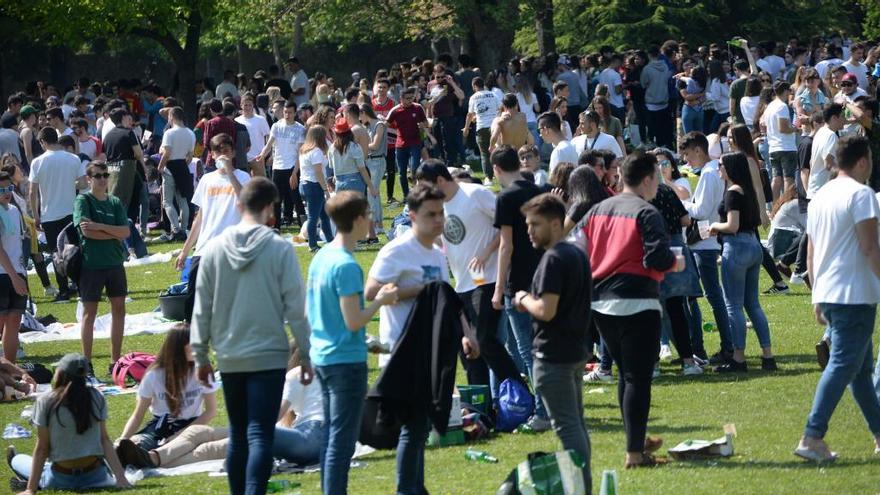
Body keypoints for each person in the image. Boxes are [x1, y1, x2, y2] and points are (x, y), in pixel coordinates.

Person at [191, 177, 312, 495]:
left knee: (240, 432)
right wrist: (308, 353)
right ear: (270, 209)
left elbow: (201, 308)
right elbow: (296, 309)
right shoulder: (279, 248)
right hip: (269, 352)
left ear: (239, 205)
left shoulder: (214, 249)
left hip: (230, 352)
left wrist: (201, 356)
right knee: (260, 433)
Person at [365, 183, 479, 495]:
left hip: (430, 351)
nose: (439, 220)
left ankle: (416, 487)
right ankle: (408, 489)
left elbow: (447, 299)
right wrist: (417, 291)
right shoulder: (397, 250)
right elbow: (370, 293)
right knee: (413, 428)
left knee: (419, 427)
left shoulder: (438, 255)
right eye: (431, 215)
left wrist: (466, 335)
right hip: (402, 351)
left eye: (441, 213)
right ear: (413, 216)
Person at [582, 151, 684, 468]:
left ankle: (635, 442)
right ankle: (635, 454)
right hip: (637, 300)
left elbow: (580, 251)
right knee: (637, 378)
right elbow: (657, 258)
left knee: (627, 374)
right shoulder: (646, 211)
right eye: (657, 177)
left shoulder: (597, 210)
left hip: (601, 303)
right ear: (647, 179)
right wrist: (674, 262)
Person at [796, 135, 880, 462]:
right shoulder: (862, 195)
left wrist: (817, 295)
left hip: (832, 291)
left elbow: (811, 254)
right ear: (862, 161)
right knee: (844, 364)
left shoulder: (821, 195)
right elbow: (870, 247)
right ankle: (812, 435)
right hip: (854, 292)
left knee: (860, 371)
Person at [308, 191, 398, 494]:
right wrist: (382, 300)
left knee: (332, 435)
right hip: (344, 361)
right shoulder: (346, 266)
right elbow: (354, 321)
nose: (370, 220)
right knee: (342, 441)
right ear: (358, 220)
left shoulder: (322, 256)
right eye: (368, 215)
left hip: (323, 355)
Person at [415, 161, 523, 404]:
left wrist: (486, 252)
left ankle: (520, 395)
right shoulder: (438, 206)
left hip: (488, 278)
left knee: (485, 340)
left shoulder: (475, 194)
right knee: (468, 348)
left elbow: (509, 225)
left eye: (427, 186)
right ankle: (481, 407)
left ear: (440, 181)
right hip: (461, 283)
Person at [514, 193, 592, 489]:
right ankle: (582, 484)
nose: (529, 231)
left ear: (556, 224)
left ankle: (579, 486)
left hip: (552, 357)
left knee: (568, 428)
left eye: (536, 224)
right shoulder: (577, 254)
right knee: (577, 425)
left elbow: (546, 310)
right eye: (527, 224)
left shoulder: (554, 258)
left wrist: (523, 298)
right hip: (574, 352)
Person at [7, 353, 131, 492]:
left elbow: (42, 448)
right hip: (96, 477)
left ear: (61, 373)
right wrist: (120, 478)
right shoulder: (96, 397)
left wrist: (31, 490)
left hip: (60, 478)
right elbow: (105, 440)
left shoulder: (46, 401)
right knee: (49, 466)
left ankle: (32, 480)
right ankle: (39, 477)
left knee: (18, 460)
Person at [490, 145, 550, 431]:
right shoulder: (538, 190)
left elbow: (506, 244)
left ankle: (542, 412)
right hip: (544, 275)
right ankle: (522, 405)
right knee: (529, 348)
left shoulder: (506, 197)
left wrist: (498, 287)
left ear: (497, 170)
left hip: (519, 282)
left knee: (527, 352)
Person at [708, 152, 776, 372]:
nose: (718, 168)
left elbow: (732, 225)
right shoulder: (747, 190)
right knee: (753, 304)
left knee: (733, 305)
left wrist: (713, 227)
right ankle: (768, 356)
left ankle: (738, 357)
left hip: (736, 247)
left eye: (721, 165)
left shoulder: (732, 193)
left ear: (729, 168)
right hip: (754, 247)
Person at [176, 133, 249, 323]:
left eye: (226, 150)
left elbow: (245, 201)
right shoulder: (207, 179)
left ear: (233, 152)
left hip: (231, 248)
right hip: (204, 248)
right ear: (212, 155)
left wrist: (230, 172)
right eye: (218, 151)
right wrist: (185, 251)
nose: (222, 155)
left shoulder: (243, 177)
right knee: (192, 303)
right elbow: (199, 218)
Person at [116, 326, 218, 455]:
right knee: (136, 445)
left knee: (186, 448)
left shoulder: (203, 371)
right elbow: (137, 415)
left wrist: (179, 436)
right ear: (178, 347)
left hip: (193, 426)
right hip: (160, 426)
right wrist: (122, 440)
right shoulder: (154, 375)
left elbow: (210, 412)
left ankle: (158, 455)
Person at [679, 132, 732, 365]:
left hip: (706, 244)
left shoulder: (710, 174)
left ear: (699, 150)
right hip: (705, 241)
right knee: (712, 296)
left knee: (714, 297)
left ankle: (727, 347)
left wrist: (677, 202)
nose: (687, 160)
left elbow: (700, 211)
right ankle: (725, 346)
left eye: (688, 154)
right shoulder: (711, 172)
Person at [74, 161, 130, 380]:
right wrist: (112, 233)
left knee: (119, 310)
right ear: (89, 179)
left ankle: (115, 361)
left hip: (114, 263)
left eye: (105, 175)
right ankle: (86, 363)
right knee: (90, 314)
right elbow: (87, 233)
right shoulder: (83, 200)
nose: (103, 179)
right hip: (92, 264)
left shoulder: (114, 201)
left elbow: (125, 232)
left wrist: (101, 227)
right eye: (98, 176)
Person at [28, 127, 86, 302]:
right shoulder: (73, 158)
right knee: (76, 249)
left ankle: (63, 290)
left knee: (56, 253)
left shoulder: (37, 162)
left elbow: (32, 191)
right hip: (71, 211)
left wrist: (35, 215)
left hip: (49, 214)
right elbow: (83, 183)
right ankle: (81, 286)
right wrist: (68, 185)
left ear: (42, 142)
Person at [255, 100, 305, 227]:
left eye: (290, 112)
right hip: (278, 168)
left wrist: (295, 173)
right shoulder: (276, 126)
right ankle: (276, 227)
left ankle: (304, 228)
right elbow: (269, 144)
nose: (287, 115)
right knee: (276, 200)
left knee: (297, 199)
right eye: (285, 112)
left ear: (295, 113)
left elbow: (300, 153)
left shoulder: (300, 129)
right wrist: (262, 155)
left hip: (292, 168)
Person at [0, 171, 27, 363]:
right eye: (1, 189)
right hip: (4, 274)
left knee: (14, 322)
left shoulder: (14, 210)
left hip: (17, 271)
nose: (6, 192)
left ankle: (10, 369)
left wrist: (20, 274)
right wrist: (14, 277)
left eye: (8, 188)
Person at [157, 107, 195, 242]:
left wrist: (160, 166)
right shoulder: (191, 133)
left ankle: (175, 228)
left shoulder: (169, 133)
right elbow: (190, 156)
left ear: (171, 117)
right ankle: (184, 229)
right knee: (183, 200)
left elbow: (166, 153)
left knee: (167, 201)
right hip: (183, 166)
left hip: (170, 167)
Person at [297, 125, 335, 252]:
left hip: (305, 184)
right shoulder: (316, 151)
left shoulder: (304, 150)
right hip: (314, 186)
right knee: (313, 217)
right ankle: (312, 245)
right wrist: (325, 189)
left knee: (324, 216)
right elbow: (318, 172)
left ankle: (330, 241)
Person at [386, 87, 428, 197]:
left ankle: (417, 190)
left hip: (415, 142)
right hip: (400, 144)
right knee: (402, 173)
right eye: (407, 98)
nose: (410, 100)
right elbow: (386, 124)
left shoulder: (418, 108)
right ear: (401, 99)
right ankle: (406, 195)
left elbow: (426, 122)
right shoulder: (395, 110)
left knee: (415, 168)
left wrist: (423, 125)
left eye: (412, 98)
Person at [763, 82, 798, 200]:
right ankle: (787, 206)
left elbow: (762, 124)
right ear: (785, 91)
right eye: (789, 90)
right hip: (786, 147)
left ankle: (774, 208)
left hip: (773, 147)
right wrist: (796, 129)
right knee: (789, 178)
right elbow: (783, 128)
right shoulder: (782, 106)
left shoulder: (770, 106)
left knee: (776, 178)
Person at [464, 77, 500, 183]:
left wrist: (466, 128)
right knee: (497, 151)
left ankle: (489, 178)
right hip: (495, 126)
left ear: (475, 86)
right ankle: (501, 173)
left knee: (484, 154)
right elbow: (501, 107)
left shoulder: (473, 97)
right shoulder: (493, 94)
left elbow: (470, 114)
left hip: (481, 128)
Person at [329, 117, 376, 199]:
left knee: (344, 211)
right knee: (357, 210)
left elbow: (332, 167)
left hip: (339, 182)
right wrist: (371, 187)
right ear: (349, 132)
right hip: (354, 181)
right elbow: (362, 169)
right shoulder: (354, 147)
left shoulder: (332, 148)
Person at [359, 103, 387, 238]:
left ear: (364, 113)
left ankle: (376, 224)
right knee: (375, 193)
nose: (359, 119)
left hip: (377, 161)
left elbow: (375, 145)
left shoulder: (379, 125)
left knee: (372, 193)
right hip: (370, 161)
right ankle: (379, 224)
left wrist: (361, 145)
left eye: (360, 116)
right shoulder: (368, 126)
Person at [807, 104, 845, 200]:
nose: (845, 120)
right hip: (824, 193)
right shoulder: (831, 136)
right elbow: (828, 165)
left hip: (815, 190)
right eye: (843, 116)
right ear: (834, 118)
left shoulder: (820, 132)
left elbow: (811, 162)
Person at [640, 45, 672, 149]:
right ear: (659, 54)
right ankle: (664, 147)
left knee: (653, 129)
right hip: (664, 101)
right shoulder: (665, 66)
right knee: (663, 128)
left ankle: (655, 148)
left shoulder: (647, 69)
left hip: (651, 102)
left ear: (649, 55)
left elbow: (643, 84)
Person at [235, 95, 270, 177]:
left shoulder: (260, 119)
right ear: (241, 106)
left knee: (260, 184)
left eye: (250, 105)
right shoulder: (236, 120)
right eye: (245, 105)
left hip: (258, 157)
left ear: (253, 106)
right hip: (242, 159)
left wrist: (265, 154)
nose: (247, 107)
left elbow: (268, 137)